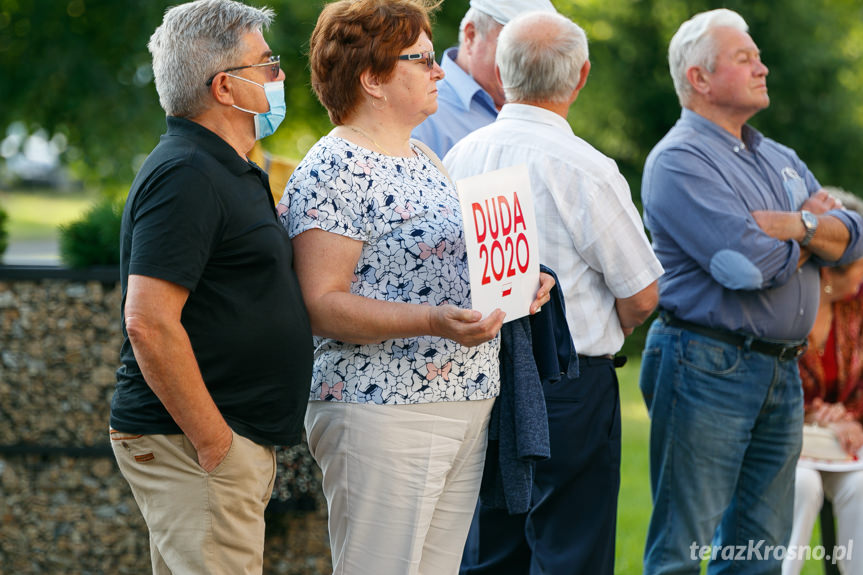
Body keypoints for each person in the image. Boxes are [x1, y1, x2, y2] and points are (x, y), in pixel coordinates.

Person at [277, 1, 553, 574]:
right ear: (372, 78)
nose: (439, 71)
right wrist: (431, 320)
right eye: (422, 59)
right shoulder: (335, 167)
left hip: (460, 404)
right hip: (384, 411)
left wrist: (520, 282)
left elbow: (450, 270)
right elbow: (320, 304)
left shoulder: (425, 157)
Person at [639, 8, 863, 574]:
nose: (763, 67)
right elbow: (744, 266)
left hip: (779, 372)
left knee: (759, 552)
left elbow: (855, 240)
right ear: (700, 78)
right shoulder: (679, 160)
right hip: (706, 364)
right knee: (682, 550)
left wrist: (794, 226)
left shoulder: (780, 159)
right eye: (745, 58)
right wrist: (817, 235)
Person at [445, 11, 663, 575]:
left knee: (490, 550)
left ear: (500, 67)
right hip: (567, 382)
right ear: (582, 75)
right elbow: (641, 293)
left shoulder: (457, 156)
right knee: (572, 551)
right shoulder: (587, 168)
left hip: (480, 375)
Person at [108, 1, 313, 573]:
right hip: (198, 444)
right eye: (267, 64)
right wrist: (214, 445)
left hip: (213, 444)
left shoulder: (224, 167)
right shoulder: (188, 174)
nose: (280, 76)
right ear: (225, 87)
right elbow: (148, 320)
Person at [783, 190, 863, 575]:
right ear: (829, 269)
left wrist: (850, 418)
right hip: (781, 439)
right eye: (859, 262)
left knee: (862, 487)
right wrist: (812, 415)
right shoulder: (780, 303)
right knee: (803, 486)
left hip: (844, 442)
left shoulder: (858, 305)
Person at [411, 0, 556, 158]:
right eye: (516, 49)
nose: (529, 65)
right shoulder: (419, 116)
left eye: (538, 55)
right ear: (471, 36)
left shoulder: (543, 113)